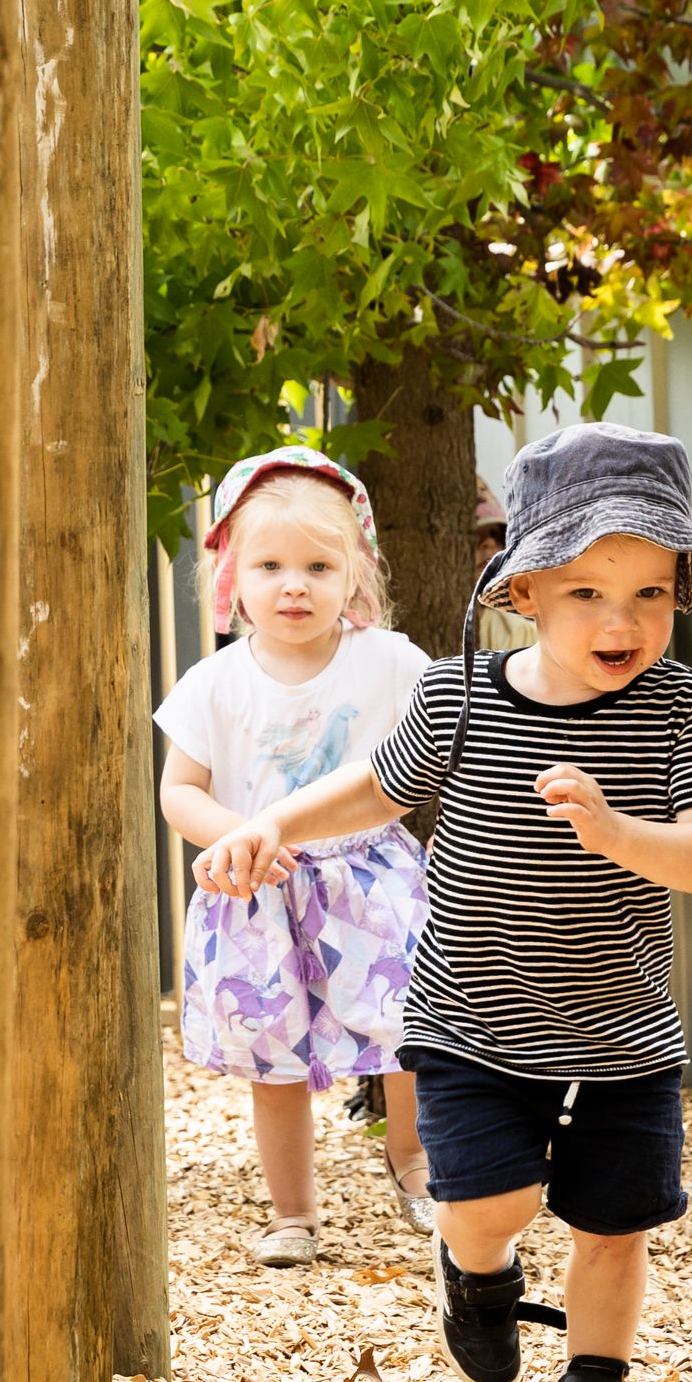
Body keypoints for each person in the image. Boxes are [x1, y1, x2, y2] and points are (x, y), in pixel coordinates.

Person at [193, 422, 692, 1382]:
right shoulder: (458, 697)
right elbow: (373, 789)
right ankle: (479, 1273)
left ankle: (597, 1380)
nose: (621, 618)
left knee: (613, 1224)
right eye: (587, 590)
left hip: (622, 1027)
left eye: (651, 593)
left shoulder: (685, 707)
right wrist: (271, 822)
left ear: (682, 593)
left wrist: (619, 832)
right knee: (492, 1203)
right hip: (472, 1020)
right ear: (525, 592)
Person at [154, 447, 435, 1267]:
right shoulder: (214, 683)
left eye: (318, 565)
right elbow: (181, 792)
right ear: (231, 578)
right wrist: (233, 837)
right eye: (269, 565)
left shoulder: (391, 662)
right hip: (255, 888)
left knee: (410, 1029)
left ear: (354, 574)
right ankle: (292, 1215)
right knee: (273, 1059)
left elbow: (423, 759)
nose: (294, 584)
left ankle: (417, 1167)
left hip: (368, 874)